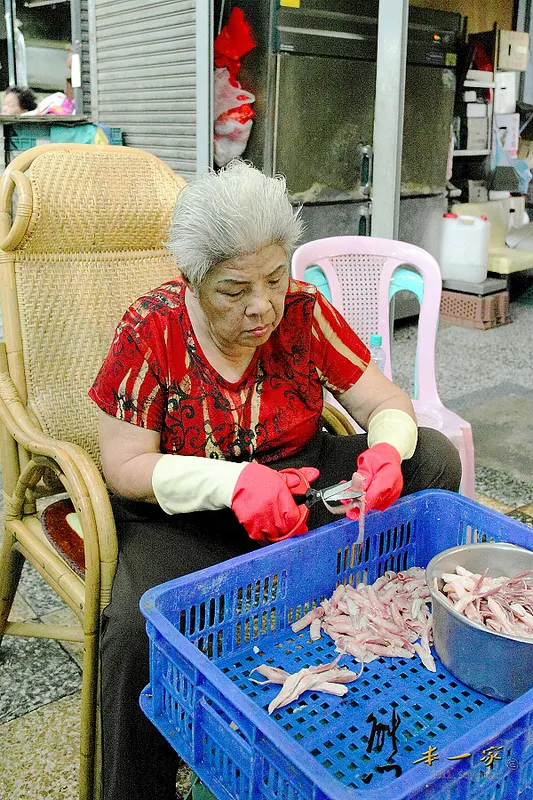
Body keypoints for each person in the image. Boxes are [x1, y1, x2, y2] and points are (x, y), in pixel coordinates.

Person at [89, 160, 461, 800]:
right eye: (235, 290)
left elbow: (385, 403)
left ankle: (410, 645)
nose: (262, 306)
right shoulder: (151, 330)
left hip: (299, 481)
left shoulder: (305, 313)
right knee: (136, 635)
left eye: (274, 277)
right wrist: (231, 485)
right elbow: (125, 467)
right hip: (187, 508)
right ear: (193, 281)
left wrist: (387, 454)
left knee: (433, 455)